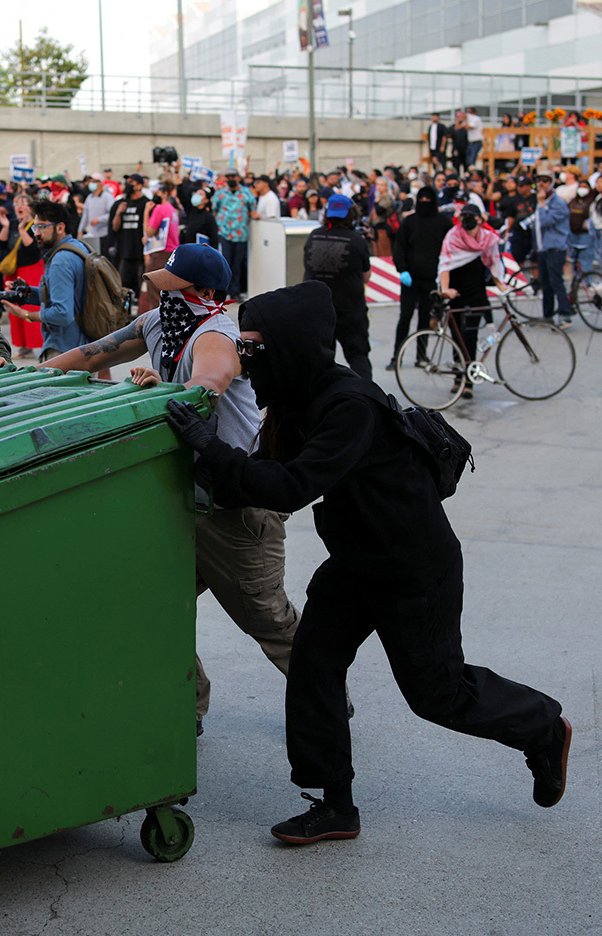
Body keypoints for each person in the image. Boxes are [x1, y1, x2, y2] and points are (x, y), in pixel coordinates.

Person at [164, 279, 571, 844]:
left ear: (291, 346)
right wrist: (200, 458)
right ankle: (333, 804)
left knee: (438, 695)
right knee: (313, 666)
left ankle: (543, 728)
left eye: (253, 349)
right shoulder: (296, 397)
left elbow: (290, 486)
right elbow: (259, 475)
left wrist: (211, 448)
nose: (246, 361)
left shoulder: (348, 404)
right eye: (243, 349)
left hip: (412, 567)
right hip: (357, 560)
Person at [42, 244, 300, 734]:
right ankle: (187, 703)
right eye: (160, 288)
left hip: (233, 512)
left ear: (205, 294)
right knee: (151, 606)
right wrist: (32, 373)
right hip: (180, 503)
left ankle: (325, 690)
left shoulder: (220, 334)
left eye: (173, 290)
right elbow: (98, 350)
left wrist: (168, 390)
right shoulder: (158, 323)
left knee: (268, 621)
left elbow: (210, 379)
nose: (162, 298)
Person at [437, 203, 511, 398]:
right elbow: (444, 264)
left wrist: (501, 285)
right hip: (456, 294)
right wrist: (445, 290)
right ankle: (457, 377)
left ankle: (468, 381)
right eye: (464, 216)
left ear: (480, 219)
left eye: (471, 216)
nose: (467, 220)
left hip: (477, 293)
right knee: (457, 337)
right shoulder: (452, 236)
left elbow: (494, 263)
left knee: (469, 336)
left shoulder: (488, 239)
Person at [1, 199, 89, 360]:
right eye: (35, 227)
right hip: (82, 346)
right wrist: (29, 292)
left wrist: (27, 315)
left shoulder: (60, 261)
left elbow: (62, 313)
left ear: (60, 227)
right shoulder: (78, 247)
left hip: (64, 349)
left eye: (42, 226)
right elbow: (68, 295)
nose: (36, 233)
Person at [302, 194, 373, 380]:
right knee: (358, 358)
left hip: (318, 309)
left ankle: (321, 403)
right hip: (351, 311)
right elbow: (366, 277)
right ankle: (365, 401)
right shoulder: (357, 241)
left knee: (320, 363)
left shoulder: (314, 236)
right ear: (352, 214)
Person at [387, 186, 453, 370]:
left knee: (425, 319)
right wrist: (402, 269)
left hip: (431, 279)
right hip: (411, 278)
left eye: (428, 199)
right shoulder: (409, 222)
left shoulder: (443, 222)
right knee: (405, 317)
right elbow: (399, 247)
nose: (425, 202)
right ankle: (396, 356)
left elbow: (451, 247)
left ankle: (421, 356)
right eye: (421, 199)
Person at [520, 173, 574, 328]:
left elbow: (545, 221)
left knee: (556, 281)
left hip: (555, 248)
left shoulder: (557, 202)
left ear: (552, 183)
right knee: (545, 283)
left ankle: (565, 315)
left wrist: (542, 203)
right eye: (538, 180)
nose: (541, 183)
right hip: (543, 248)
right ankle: (548, 316)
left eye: (545, 180)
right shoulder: (542, 201)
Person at [0, 193, 43, 358]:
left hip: (30, 269)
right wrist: (5, 227)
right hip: (13, 271)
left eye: (22, 202)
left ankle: (33, 345)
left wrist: (21, 230)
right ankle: (22, 346)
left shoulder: (34, 225)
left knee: (29, 306)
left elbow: (32, 248)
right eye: (16, 203)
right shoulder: (13, 223)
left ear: (30, 207)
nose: (18, 206)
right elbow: (1, 244)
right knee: (13, 309)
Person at [211, 168, 256, 299]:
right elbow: (214, 210)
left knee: (238, 264)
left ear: (238, 178)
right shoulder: (220, 194)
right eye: (228, 177)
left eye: (233, 177)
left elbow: (252, 210)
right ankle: (223, 292)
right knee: (226, 263)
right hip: (225, 233)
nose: (231, 179)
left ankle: (235, 292)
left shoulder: (247, 193)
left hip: (241, 234)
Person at [141, 180, 180, 313]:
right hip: (172, 252)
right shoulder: (172, 209)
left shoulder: (160, 208)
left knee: (153, 286)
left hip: (161, 252)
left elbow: (149, 231)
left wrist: (146, 212)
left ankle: (156, 319)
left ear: (163, 193)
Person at [110, 174, 148, 300]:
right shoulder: (120, 203)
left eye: (132, 182)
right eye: (127, 182)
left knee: (141, 287)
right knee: (122, 288)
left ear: (140, 186)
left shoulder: (146, 203)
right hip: (124, 252)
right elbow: (114, 227)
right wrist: (119, 212)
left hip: (140, 252)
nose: (128, 184)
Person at [78, 174, 115, 247]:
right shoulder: (89, 198)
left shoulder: (107, 197)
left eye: (94, 181)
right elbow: (85, 216)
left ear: (101, 183)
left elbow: (112, 214)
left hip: (104, 234)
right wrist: (80, 230)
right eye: (91, 181)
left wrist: (99, 220)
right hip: (92, 235)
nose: (92, 184)